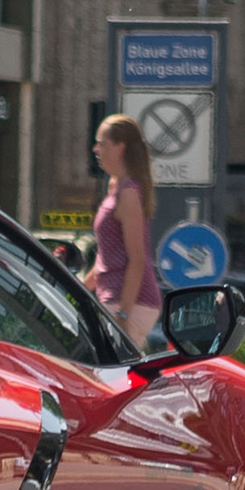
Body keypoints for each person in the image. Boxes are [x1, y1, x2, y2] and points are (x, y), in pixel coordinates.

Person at [85, 113, 164, 347]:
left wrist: (123, 313)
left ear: (120, 147)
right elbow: (105, 259)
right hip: (113, 298)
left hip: (130, 302)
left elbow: (137, 259)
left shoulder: (128, 193)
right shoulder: (116, 187)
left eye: (102, 143)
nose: (95, 149)